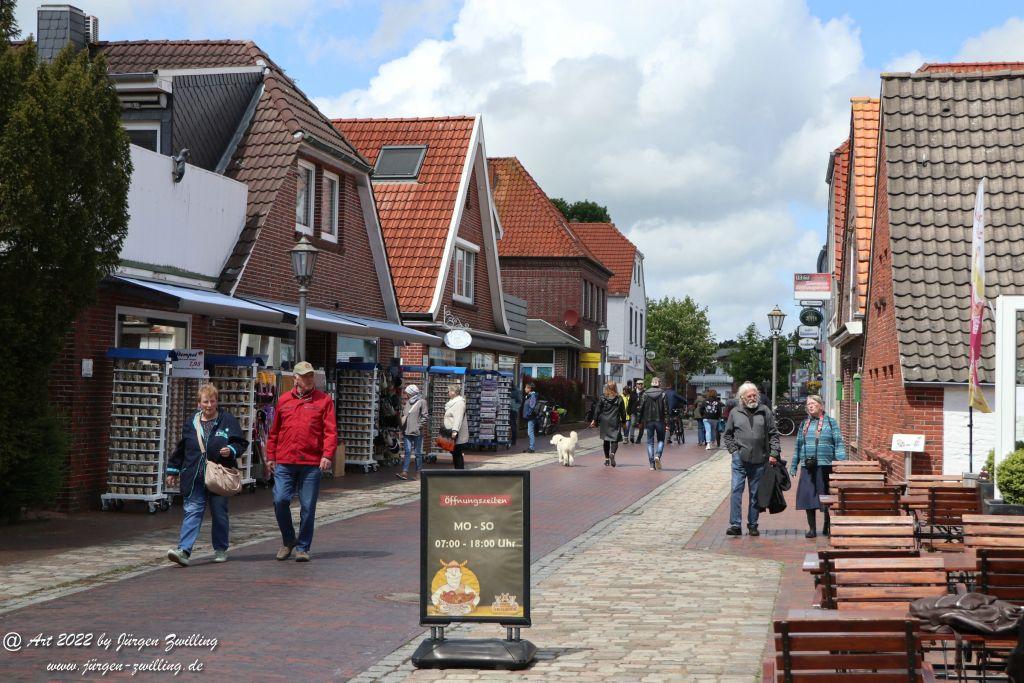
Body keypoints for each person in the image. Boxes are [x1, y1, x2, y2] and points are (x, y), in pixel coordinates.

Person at [166, 383, 248, 566]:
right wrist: (173, 469)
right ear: (199, 404)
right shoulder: (191, 423)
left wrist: (232, 449)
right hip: (194, 474)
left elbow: (241, 442)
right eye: (205, 402)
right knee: (192, 511)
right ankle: (184, 551)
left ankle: (220, 549)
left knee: (219, 513)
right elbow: (182, 448)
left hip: (218, 475)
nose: (209, 405)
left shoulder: (227, 420)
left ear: (217, 402)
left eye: (212, 401)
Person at [266, 361, 336, 562]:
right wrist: (271, 456)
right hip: (285, 460)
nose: (308, 379)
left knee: (307, 507)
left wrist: (327, 455)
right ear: (295, 378)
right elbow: (274, 432)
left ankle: (303, 547)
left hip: (311, 462)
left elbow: (330, 432)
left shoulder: (324, 401)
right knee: (280, 500)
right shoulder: (284, 400)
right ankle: (289, 540)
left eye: (310, 376)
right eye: (304, 376)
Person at [723, 381, 780, 537]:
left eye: (755, 395)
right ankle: (735, 524)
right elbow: (727, 435)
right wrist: (734, 451)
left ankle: (753, 524)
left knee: (755, 494)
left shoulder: (765, 411)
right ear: (742, 397)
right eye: (749, 395)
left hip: (760, 460)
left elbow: (773, 434)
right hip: (739, 460)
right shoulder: (735, 412)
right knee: (736, 490)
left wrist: (774, 453)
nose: (753, 397)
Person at [790, 394, 846, 538]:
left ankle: (826, 526)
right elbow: (798, 445)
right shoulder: (804, 424)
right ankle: (812, 529)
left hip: (825, 465)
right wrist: (794, 465)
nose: (810, 406)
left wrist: (841, 462)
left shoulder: (831, 422)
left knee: (826, 497)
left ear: (821, 406)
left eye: (813, 403)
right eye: (808, 404)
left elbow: (838, 442)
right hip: (807, 466)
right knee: (808, 497)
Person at [590, 380, 627, 467]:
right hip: (615, 421)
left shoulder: (602, 398)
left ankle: (607, 460)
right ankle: (612, 454)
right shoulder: (619, 398)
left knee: (606, 440)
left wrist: (594, 420)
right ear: (615, 388)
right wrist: (624, 422)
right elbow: (623, 412)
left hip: (604, 421)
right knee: (615, 440)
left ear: (607, 387)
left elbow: (597, 410)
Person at [637, 377, 669, 470]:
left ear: (651, 383)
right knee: (661, 440)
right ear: (659, 383)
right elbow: (666, 409)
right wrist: (667, 422)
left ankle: (651, 464)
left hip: (649, 420)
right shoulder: (663, 393)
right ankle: (657, 455)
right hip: (660, 420)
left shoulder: (645, 394)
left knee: (650, 442)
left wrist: (639, 421)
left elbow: (641, 408)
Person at [397, 384, 427, 480]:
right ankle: (404, 472)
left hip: (417, 432)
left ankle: (418, 472)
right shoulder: (407, 402)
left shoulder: (422, 402)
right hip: (407, 431)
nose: (406, 395)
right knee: (407, 451)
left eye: (407, 393)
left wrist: (418, 426)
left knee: (418, 453)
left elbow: (425, 416)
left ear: (411, 393)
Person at [444, 383, 470, 469]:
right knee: (454, 451)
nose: (448, 392)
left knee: (457, 452)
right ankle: (458, 470)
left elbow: (458, 417)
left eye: (449, 390)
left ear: (454, 392)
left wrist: (455, 431)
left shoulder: (459, 403)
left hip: (455, 431)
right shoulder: (452, 402)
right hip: (450, 430)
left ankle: (459, 470)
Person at [522, 383, 538, 453]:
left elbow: (532, 406)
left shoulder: (532, 396)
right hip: (529, 416)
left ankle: (532, 448)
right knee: (530, 432)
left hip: (531, 417)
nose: (525, 389)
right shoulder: (529, 396)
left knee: (530, 432)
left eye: (526, 388)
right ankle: (531, 447)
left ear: (530, 389)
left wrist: (528, 413)